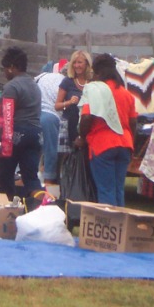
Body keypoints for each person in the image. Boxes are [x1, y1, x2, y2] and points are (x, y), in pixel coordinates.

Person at [78, 53, 138, 207]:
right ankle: (120, 221)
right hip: (125, 144)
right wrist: (132, 144)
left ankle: (108, 221)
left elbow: (86, 118)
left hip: (102, 144)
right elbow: (133, 123)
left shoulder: (95, 91)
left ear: (97, 72)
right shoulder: (126, 94)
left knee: (106, 190)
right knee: (118, 190)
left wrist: (82, 137)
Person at [0, 46, 43, 204]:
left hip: (17, 133)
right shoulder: (34, 85)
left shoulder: (12, 86)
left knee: (6, 178)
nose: (5, 73)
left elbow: (6, 116)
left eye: (5, 68)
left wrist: (3, 142)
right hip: (36, 134)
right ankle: (43, 207)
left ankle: (7, 210)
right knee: (31, 179)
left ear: (11, 67)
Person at [35, 68, 65, 185]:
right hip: (51, 116)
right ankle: (49, 181)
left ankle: (29, 179)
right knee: (50, 150)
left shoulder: (43, 76)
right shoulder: (66, 82)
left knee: (34, 150)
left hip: (35, 114)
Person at [55, 50, 93, 144]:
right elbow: (57, 106)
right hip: (70, 128)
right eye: (74, 63)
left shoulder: (93, 82)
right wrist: (69, 102)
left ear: (87, 64)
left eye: (79, 62)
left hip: (88, 127)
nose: (76, 65)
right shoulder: (67, 81)